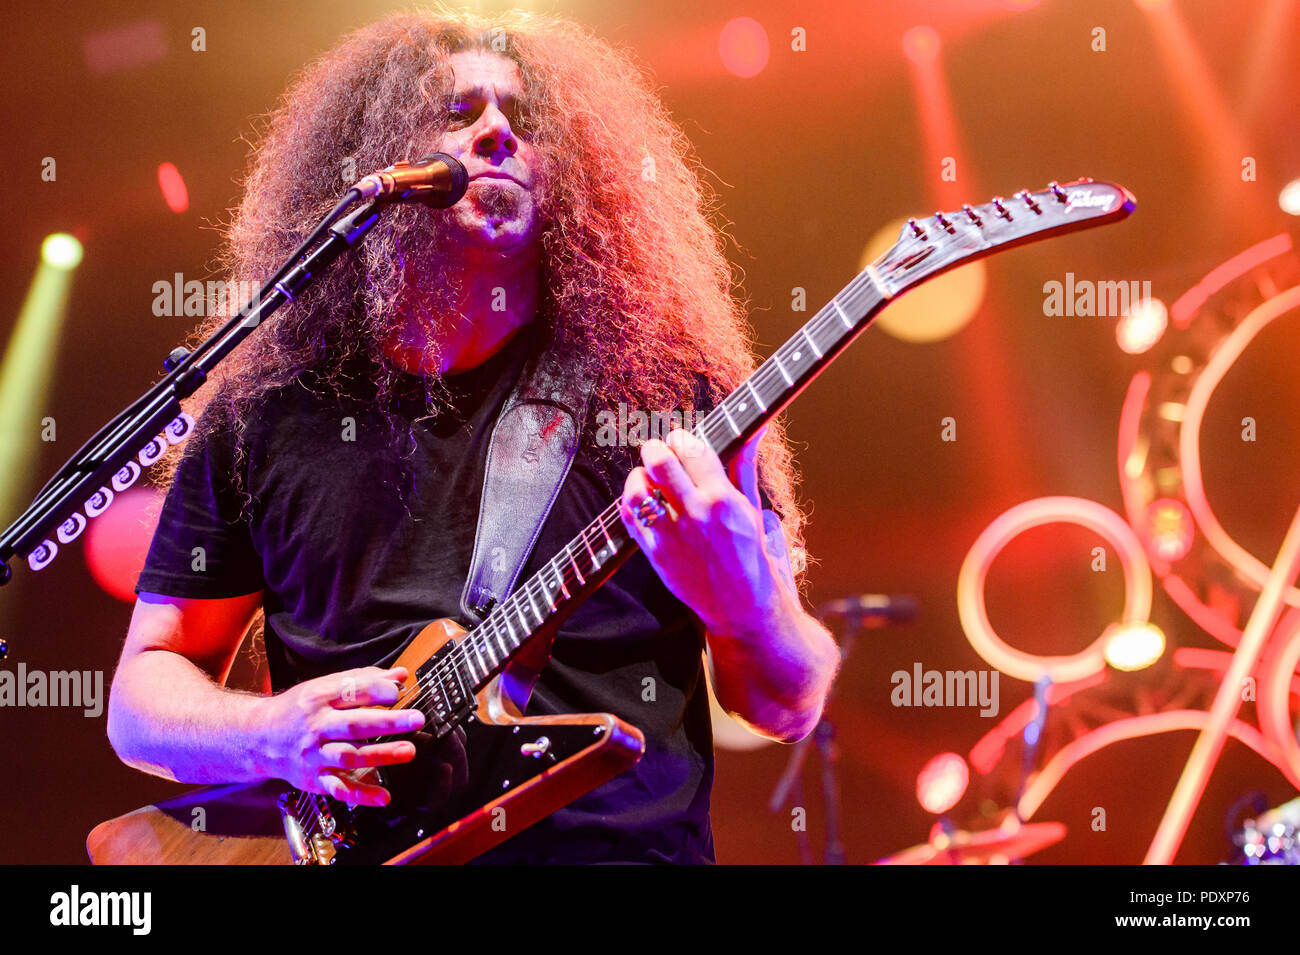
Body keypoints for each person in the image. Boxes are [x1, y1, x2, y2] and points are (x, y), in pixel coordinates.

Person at [107, 8, 839, 865]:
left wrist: (741, 594)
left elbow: (787, 704)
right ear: (374, 154)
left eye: (527, 121)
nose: (497, 131)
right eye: (458, 112)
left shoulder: (669, 397)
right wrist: (271, 730)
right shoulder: (265, 408)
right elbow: (139, 696)